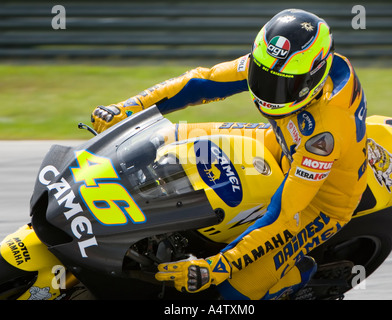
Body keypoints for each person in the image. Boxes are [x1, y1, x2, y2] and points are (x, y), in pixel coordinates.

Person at [91, 9, 368, 300]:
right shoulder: (282, 64)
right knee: (158, 140)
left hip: (321, 200)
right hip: (279, 142)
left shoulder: (325, 132)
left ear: (313, 76)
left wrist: (217, 266)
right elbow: (204, 81)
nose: (267, 91)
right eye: (262, 76)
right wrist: (128, 109)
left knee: (229, 296)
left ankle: (298, 278)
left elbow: (285, 212)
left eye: (282, 85)